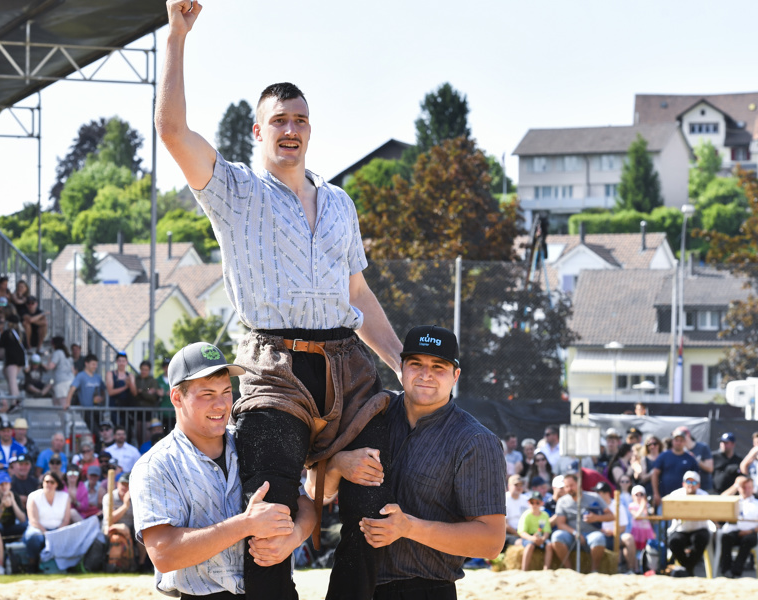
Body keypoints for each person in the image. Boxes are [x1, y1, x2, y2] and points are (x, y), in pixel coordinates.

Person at [158, 3, 403, 597]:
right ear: (258, 131)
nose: (290, 129)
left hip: (348, 369)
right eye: (279, 120)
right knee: (270, 520)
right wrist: (176, 37)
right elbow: (172, 131)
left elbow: (357, 292)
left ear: (310, 130)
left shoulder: (340, 202)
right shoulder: (236, 191)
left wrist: (402, 363)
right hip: (274, 367)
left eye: (300, 119)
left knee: (375, 513)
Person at [315, 325, 505, 599]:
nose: (426, 374)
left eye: (438, 367)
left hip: (424, 589)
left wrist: (409, 528)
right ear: (401, 368)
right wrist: (337, 464)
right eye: (416, 364)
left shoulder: (475, 441)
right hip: (349, 582)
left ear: (455, 375)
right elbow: (314, 493)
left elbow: (491, 542)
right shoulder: (370, 414)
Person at [132, 341, 312, 597]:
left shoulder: (253, 441)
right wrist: (246, 524)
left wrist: (294, 537)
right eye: (207, 394)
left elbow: (305, 505)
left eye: (226, 391)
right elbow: (164, 554)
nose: (221, 404)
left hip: (274, 590)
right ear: (177, 397)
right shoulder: (156, 466)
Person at [550, 472, 613, 572]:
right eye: (566, 487)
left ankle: (594, 570)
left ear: (579, 484)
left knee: (599, 538)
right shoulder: (562, 501)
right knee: (557, 536)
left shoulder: (594, 497)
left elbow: (611, 516)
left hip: (591, 533)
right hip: (572, 535)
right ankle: (569, 570)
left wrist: (596, 518)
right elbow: (560, 524)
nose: (569, 489)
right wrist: (575, 533)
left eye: (571, 485)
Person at [665, 470, 711, 577]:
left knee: (700, 539)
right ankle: (688, 569)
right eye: (688, 482)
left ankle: (687, 569)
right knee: (674, 542)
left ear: (698, 485)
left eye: (694, 482)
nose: (691, 485)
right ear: (683, 483)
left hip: (699, 528)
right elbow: (668, 512)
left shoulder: (704, 496)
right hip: (681, 529)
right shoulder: (675, 494)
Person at [718, 476, 758, 578]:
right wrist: (736, 485)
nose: (746, 490)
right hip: (733, 532)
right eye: (744, 487)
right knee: (726, 538)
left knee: (748, 541)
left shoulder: (756, 503)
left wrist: (751, 531)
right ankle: (726, 570)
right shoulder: (733, 501)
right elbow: (720, 500)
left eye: (749, 487)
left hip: (751, 532)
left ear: (753, 488)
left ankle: (736, 571)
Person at [650, 428, 700, 508]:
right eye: (676, 440)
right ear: (672, 441)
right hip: (665, 498)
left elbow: (696, 478)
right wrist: (656, 493)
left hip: (684, 500)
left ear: (685, 442)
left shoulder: (690, 458)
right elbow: (655, 474)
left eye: (681, 440)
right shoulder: (663, 456)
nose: (678, 443)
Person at [516, 491, 553, 571]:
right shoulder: (526, 515)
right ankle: (524, 570)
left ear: (542, 503)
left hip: (540, 537)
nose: (534, 505)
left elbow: (547, 531)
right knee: (530, 546)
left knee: (549, 545)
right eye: (532, 502)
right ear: (528, 503)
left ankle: (546, 570)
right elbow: (522, 532)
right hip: (529, 537)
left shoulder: (545, 515)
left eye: (537, 502)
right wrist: (532, 538)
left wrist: (543, 539)